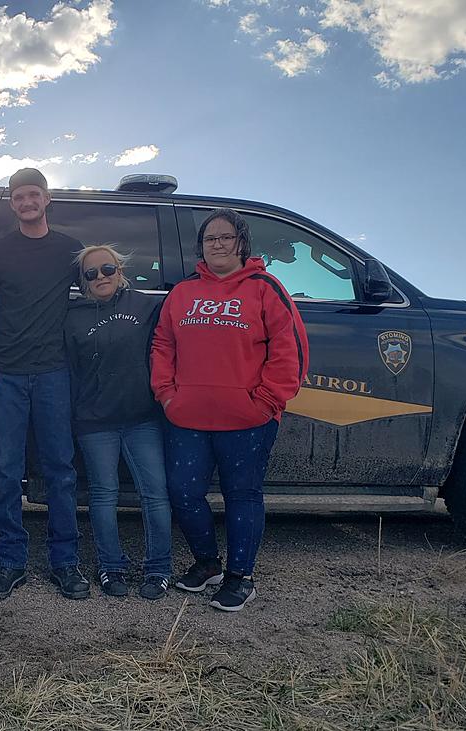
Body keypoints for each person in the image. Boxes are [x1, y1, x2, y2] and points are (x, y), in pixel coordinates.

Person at [151, 208, 308, 612]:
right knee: (183, 493)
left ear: (241, 243)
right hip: (187, 416)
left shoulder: (265, 288)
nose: (217, 244)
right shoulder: (183, 293)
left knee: (243, 495)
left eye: (226, 237)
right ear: (200, 246)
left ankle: (241, 577)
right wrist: (167, 394)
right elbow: (163, 345)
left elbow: (289, 350)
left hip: (248, 419)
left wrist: (266, 401)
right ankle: (208, 565)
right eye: (210, 239)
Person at [0, 168, 89, 601]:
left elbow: (97, 292)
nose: (27, 202)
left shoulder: (69, 249)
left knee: (60, 469)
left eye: (33, 194)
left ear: (47, 198)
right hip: (5, 372)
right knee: (5, 469)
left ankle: (66, 562)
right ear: (11, 202)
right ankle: (9, 561)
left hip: (55, 373)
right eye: (19, 196)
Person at [64, 245, 172, 600]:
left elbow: (168, 349)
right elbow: (70, 371)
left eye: (107, 269)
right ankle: (111, 567)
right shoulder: (73, 316)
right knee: (103, 495)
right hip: (95, 423)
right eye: (91, 273)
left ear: (120, 270)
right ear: (83, 281)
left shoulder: (146, 306)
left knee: (154, 495)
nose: (101, 277)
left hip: (142, 418)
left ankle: (158, 569)